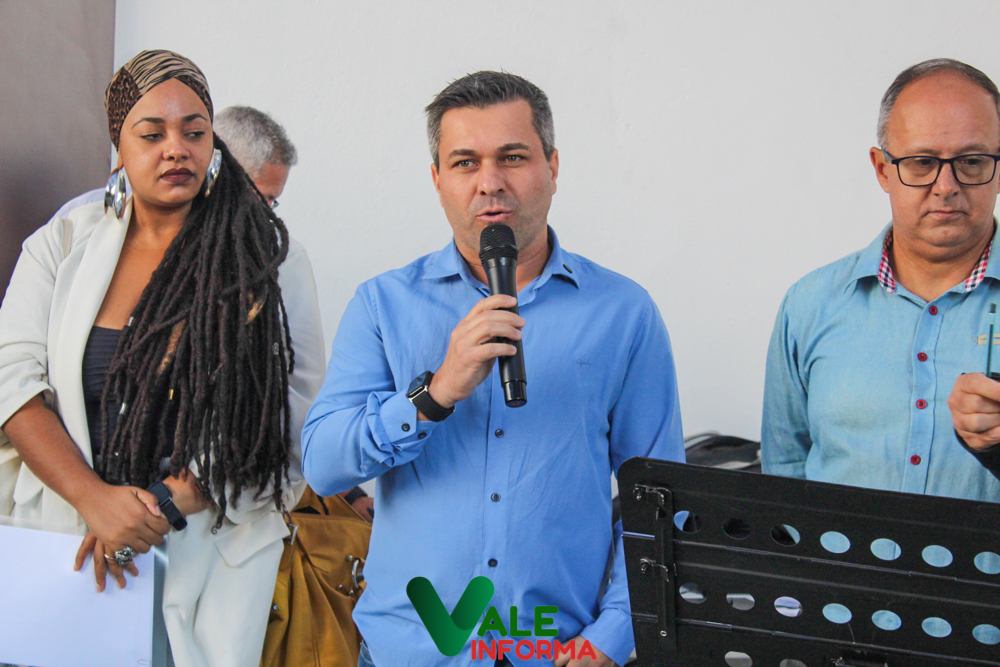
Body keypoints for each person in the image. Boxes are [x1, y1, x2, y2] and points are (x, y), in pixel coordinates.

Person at [301, 71, 684, 667]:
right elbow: (323, 466)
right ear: (437, 179)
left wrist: (613, 637)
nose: (490, 183)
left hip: (558, 653)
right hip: (412, 653)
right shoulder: (382, 305)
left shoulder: (623, 313)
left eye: (513, 157)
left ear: (552, 166)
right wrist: (433, 395)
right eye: (465, 162)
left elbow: (660, 503)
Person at [0, 50, 326, 666]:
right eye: (152, 134)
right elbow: (11, 382)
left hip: (207, 554)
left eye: (194, 132)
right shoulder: (62, 242)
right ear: (119, 147)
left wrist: (159, 507)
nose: (176, 148)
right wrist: (95, 501)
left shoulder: (269, 259)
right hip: (67, 544)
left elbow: (288, 419)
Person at [762, 58, 1000, 503]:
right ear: (882, 169)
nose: (946, 185)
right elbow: (783, 477)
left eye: (971, 161)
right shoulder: (810, 304)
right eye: (922, 162)